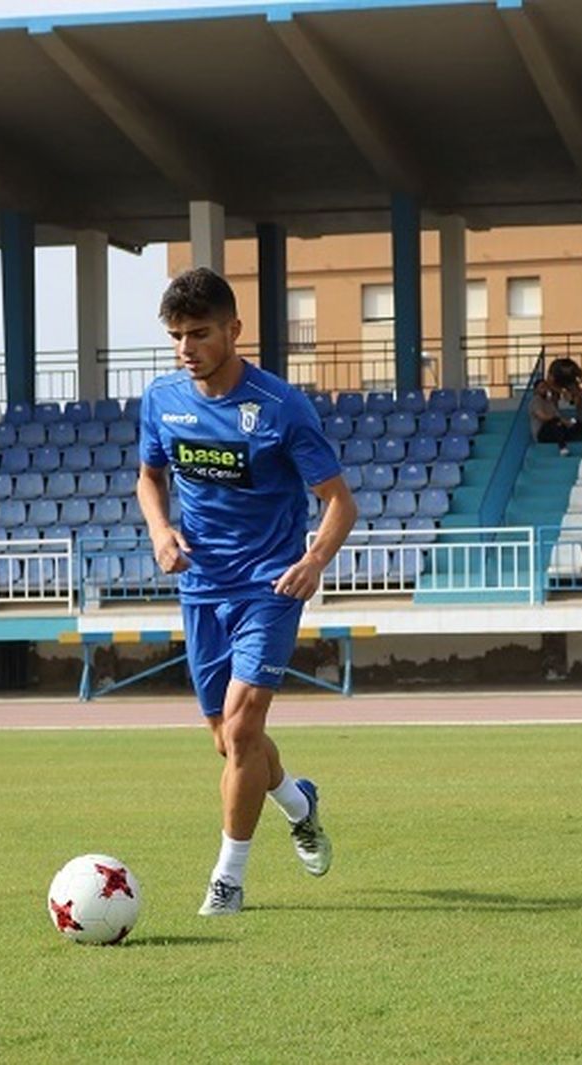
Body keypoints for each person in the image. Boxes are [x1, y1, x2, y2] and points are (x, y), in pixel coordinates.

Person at [137, 266, 359, 915]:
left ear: (234, 329)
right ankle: (297, 801)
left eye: (199, 334)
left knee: (242, 726)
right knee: (229, 741)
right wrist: (159, 530)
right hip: (202, 586)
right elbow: (149, 478)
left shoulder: (282, 407)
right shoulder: (162, 398)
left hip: (270, 584)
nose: (187, 348)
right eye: (177, 336)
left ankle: (228, 880)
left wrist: (314, 559)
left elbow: (339, 501)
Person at [528, 376, 582, 454]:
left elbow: (558, 416)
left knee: (577, 424)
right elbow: (543, 417)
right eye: (541, 387)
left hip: (555, 430)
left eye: (546, 387)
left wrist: (569, 422)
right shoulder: (535, 401)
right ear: (536, 390)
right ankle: (562, 448)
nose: (545, 389)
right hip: (542, 434)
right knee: (555, 422)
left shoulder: (549, 402)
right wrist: (558, 419)